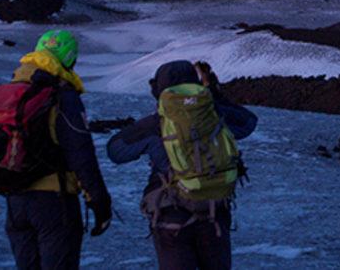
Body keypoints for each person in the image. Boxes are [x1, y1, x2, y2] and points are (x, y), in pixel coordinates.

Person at [107, 60, 258, 270]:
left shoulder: (155, 124)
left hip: (171, 216)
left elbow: (115, 151)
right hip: (214, 212)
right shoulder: (216, 115)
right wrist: (213, 96)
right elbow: (249, 122)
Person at [5, 30, 112, 269]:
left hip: (15, 200)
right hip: (54, 202)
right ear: (69, 58)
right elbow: (80, 153)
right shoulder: (62, 96)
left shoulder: (14, 90)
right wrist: (99, 201)